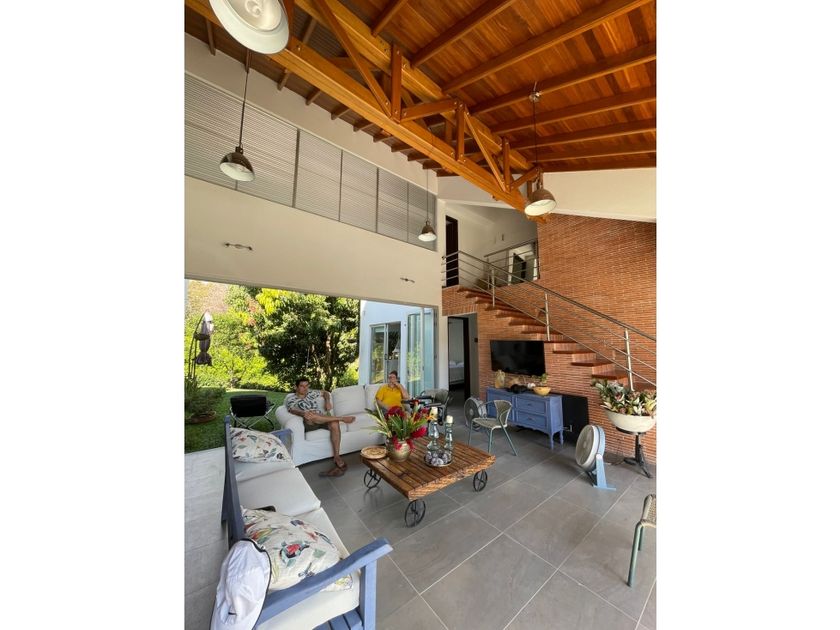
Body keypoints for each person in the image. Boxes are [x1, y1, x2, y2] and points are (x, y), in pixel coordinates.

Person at [285, 377, 355, 477]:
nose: (305, 388)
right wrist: (303, 413)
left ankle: (337, 456)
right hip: (309, 422)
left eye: (307, 386)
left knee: (334, 423)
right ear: (296, 387)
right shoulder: (291, 399)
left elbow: (325, 393)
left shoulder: (311, 393)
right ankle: (342, 418)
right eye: (302, 386)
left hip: (322, 419)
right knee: (311, 415)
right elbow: (292, 410)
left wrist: (327, 401)